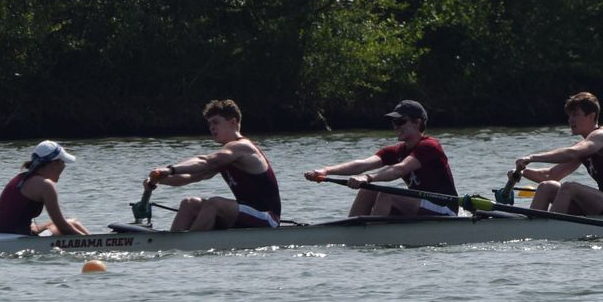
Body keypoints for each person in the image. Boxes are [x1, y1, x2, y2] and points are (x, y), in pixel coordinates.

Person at [304, 100, 458, 218]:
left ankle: (372, 235)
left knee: (387, 194)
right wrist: (326, 170)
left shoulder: (430, 146)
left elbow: (400, 169)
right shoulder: (397, 150)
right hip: (420, 204)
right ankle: (351, 233)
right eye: (393, 123)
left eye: (400, 122)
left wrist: (368, 177)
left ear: (417, 122)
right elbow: (362, 164)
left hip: (444, 207)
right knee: (368, 190)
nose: (396, 127)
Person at [147, 98, 282, 231]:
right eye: (209, 124)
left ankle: (189, 245)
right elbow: (189, 177)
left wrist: (170, 170)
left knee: (214, 204)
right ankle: (171, 247)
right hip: (245, 214)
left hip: (268, 218)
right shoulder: (226, 157)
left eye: (216, 122)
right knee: (189, 203)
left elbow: (205, 161)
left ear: (233, 122)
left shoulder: (243, 147)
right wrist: (158, 179)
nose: (211, 128)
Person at [512, 92, 603, 215]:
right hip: (600, 203)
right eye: (570, 115)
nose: (570, 120)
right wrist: (520, 172)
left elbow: (571, 153)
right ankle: (533, 228)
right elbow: (550, 175)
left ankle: (550, 230)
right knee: (546, 186)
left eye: (576, 115)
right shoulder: (585, 147)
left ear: (591, 116)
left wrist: (531, 158)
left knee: (569, 187)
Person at [0, 140, 89, 236]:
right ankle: (98, 247)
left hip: (0, 233)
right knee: (67, 226)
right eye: (63, 162)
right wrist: (92, 242)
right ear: (54, 163)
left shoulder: (21, 177)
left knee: (73, 222)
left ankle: (98, 246)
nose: (64, 166)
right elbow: (62, 227)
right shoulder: (46, 185)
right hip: (19, 239)